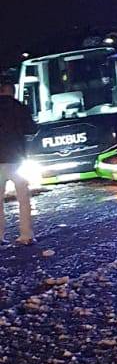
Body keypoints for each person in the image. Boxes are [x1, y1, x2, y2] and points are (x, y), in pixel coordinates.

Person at [0, 79, 37, 245]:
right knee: (23, 198)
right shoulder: (20, 108)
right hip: (16, 159)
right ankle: (26, 234)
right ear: (12, 91)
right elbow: (32, 129)